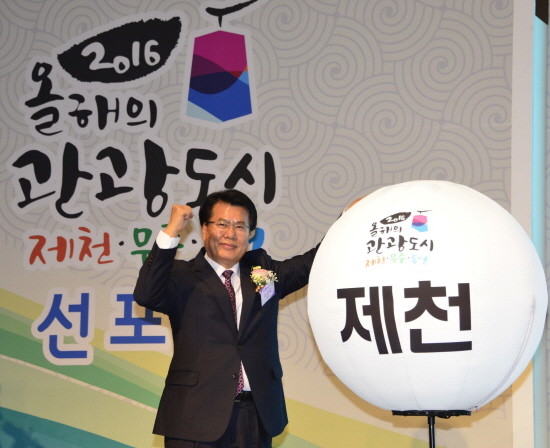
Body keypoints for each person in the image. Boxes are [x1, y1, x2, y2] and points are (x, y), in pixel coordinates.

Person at [133, 189, 349, 447]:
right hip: (194, 415)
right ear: (204, 229)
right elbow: (146, 294)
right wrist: (171, 231)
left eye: (240, 226)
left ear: (250, 234)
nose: (231, 234)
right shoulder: (182, 276)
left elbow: (312, 262)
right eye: (222, 224)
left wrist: (348, 218)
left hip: (254, 415)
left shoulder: (262, 272)